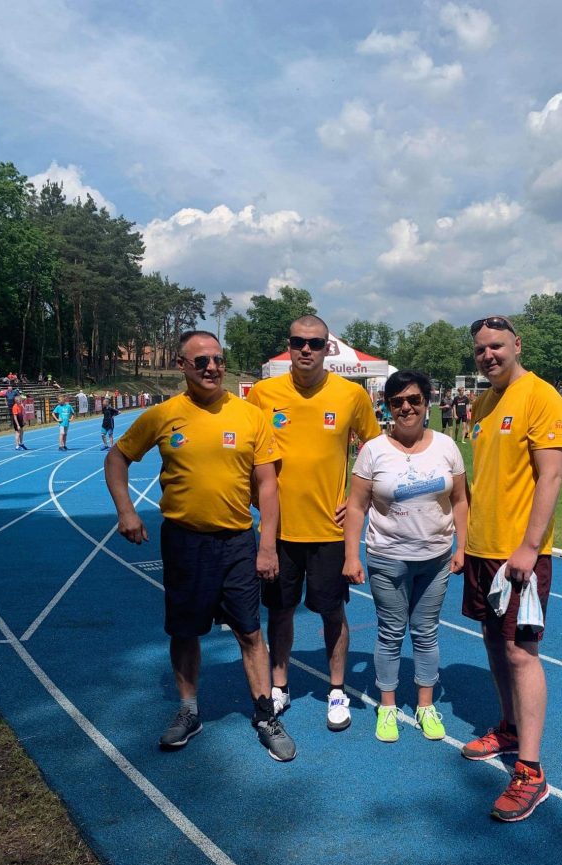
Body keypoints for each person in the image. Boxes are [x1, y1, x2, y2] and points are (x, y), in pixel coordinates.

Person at [104, 329, 296, 761]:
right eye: (201, 361)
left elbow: (267, 484)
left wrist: (267, 545)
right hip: (185, 543)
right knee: (185, 629)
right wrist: (126, 511)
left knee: (250, 631)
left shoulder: (250, 416)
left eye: (217, 359)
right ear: (182, 365)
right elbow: (117, 458)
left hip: (237, 543)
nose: (212, 367)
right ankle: (189, 710)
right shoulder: (164, 414)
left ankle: (265, 714)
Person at [247, 315, 380, 730]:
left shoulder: (350, 396)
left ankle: (337, 688)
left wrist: (363, 500)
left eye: (315, 343)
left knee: (332, 612)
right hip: (279, 531)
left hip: (330, 531)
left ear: (327, 347)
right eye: (298, 342)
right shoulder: (263, 395)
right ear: (288, 346)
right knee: (280, 611)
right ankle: (281, 685)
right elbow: (246, 456)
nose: (306, 350)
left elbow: (377, 454)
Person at [460, 315, 562, 823]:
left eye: (497, 347)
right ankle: (507, 728)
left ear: (517, 345)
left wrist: (529, 546)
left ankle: (530, 771)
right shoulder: (483, 401)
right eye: (481, 350)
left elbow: (551, 476)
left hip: (519, 553)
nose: (488, 356)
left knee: (521, 653)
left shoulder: (541, 396)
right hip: (484, 550)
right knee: (491, 642)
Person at [343, 370, 468, 743]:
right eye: (397, 402)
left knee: (426, 633)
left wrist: (463, 546)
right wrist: (352, 555)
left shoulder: (446, 446)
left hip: (435, 557)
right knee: (391, 632)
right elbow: (355, 507)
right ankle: (387, 705)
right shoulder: (373, 450)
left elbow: (460, 500)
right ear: (388, 406)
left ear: (427, 403)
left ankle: (426, 705)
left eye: (413, 399)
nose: (406, 407)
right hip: (388, 557)